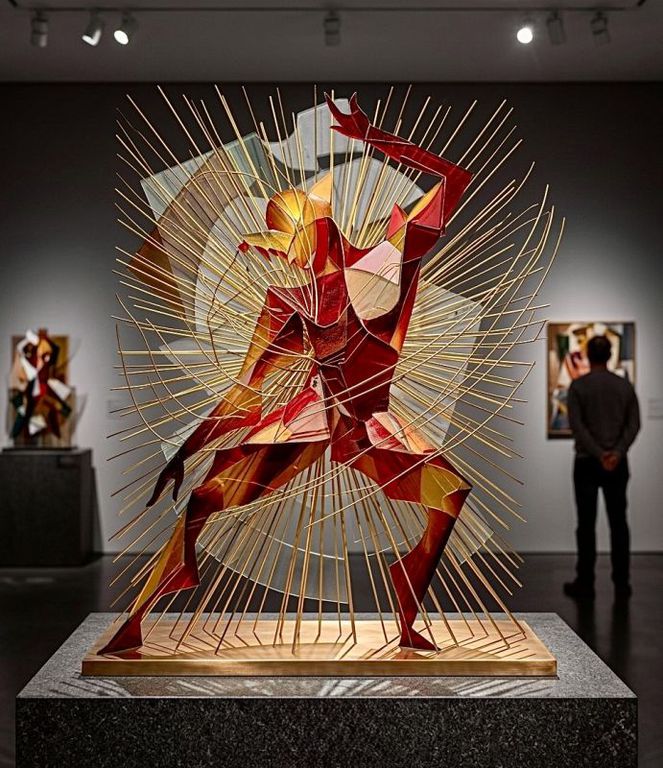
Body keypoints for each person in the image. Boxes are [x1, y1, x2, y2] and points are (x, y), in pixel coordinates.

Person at [100, 94, 474, 655]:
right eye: (280, 247)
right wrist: (187, 449)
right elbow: (244, 393)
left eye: (289, 241)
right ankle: (136, 618)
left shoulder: (386, 260)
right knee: (205, 501)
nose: (287, 257)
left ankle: (406, 601)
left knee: (450, 494)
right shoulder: (288, 302)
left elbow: (455, 181)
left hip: (370, 426)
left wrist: (376, 139)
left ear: (317, 226)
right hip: (312, 417)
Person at [564, 334, 640, 600]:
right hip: (617, 465)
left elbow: (577, 426)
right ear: (609, 355)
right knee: (619, 523)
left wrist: (598, 454)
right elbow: (634, 425)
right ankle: (622, 583)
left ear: (589, 355)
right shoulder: (624, 386)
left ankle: (585, 583)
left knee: (586, 525)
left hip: (587, 462)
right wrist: (615, 453)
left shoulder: (578, 387)